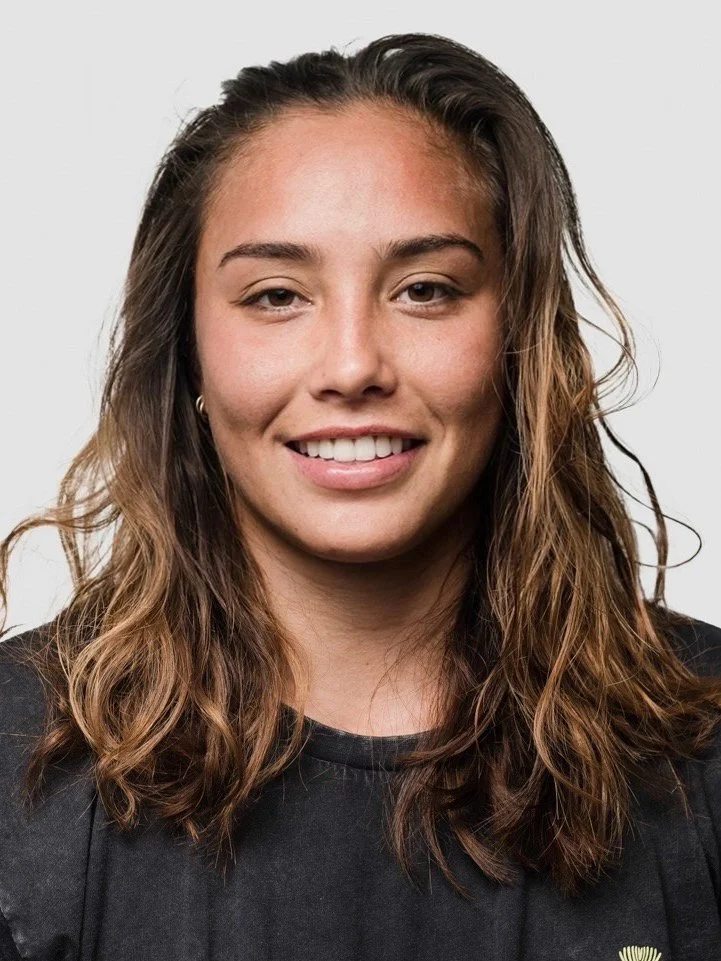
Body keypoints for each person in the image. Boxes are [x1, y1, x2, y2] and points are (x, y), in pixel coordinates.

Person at [1, 31, 720, 961]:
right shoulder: (18, 766)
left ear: (520, 342)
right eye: (274, 296)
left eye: (424, 289)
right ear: (189, 354)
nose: (351, 366)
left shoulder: (699, 749)